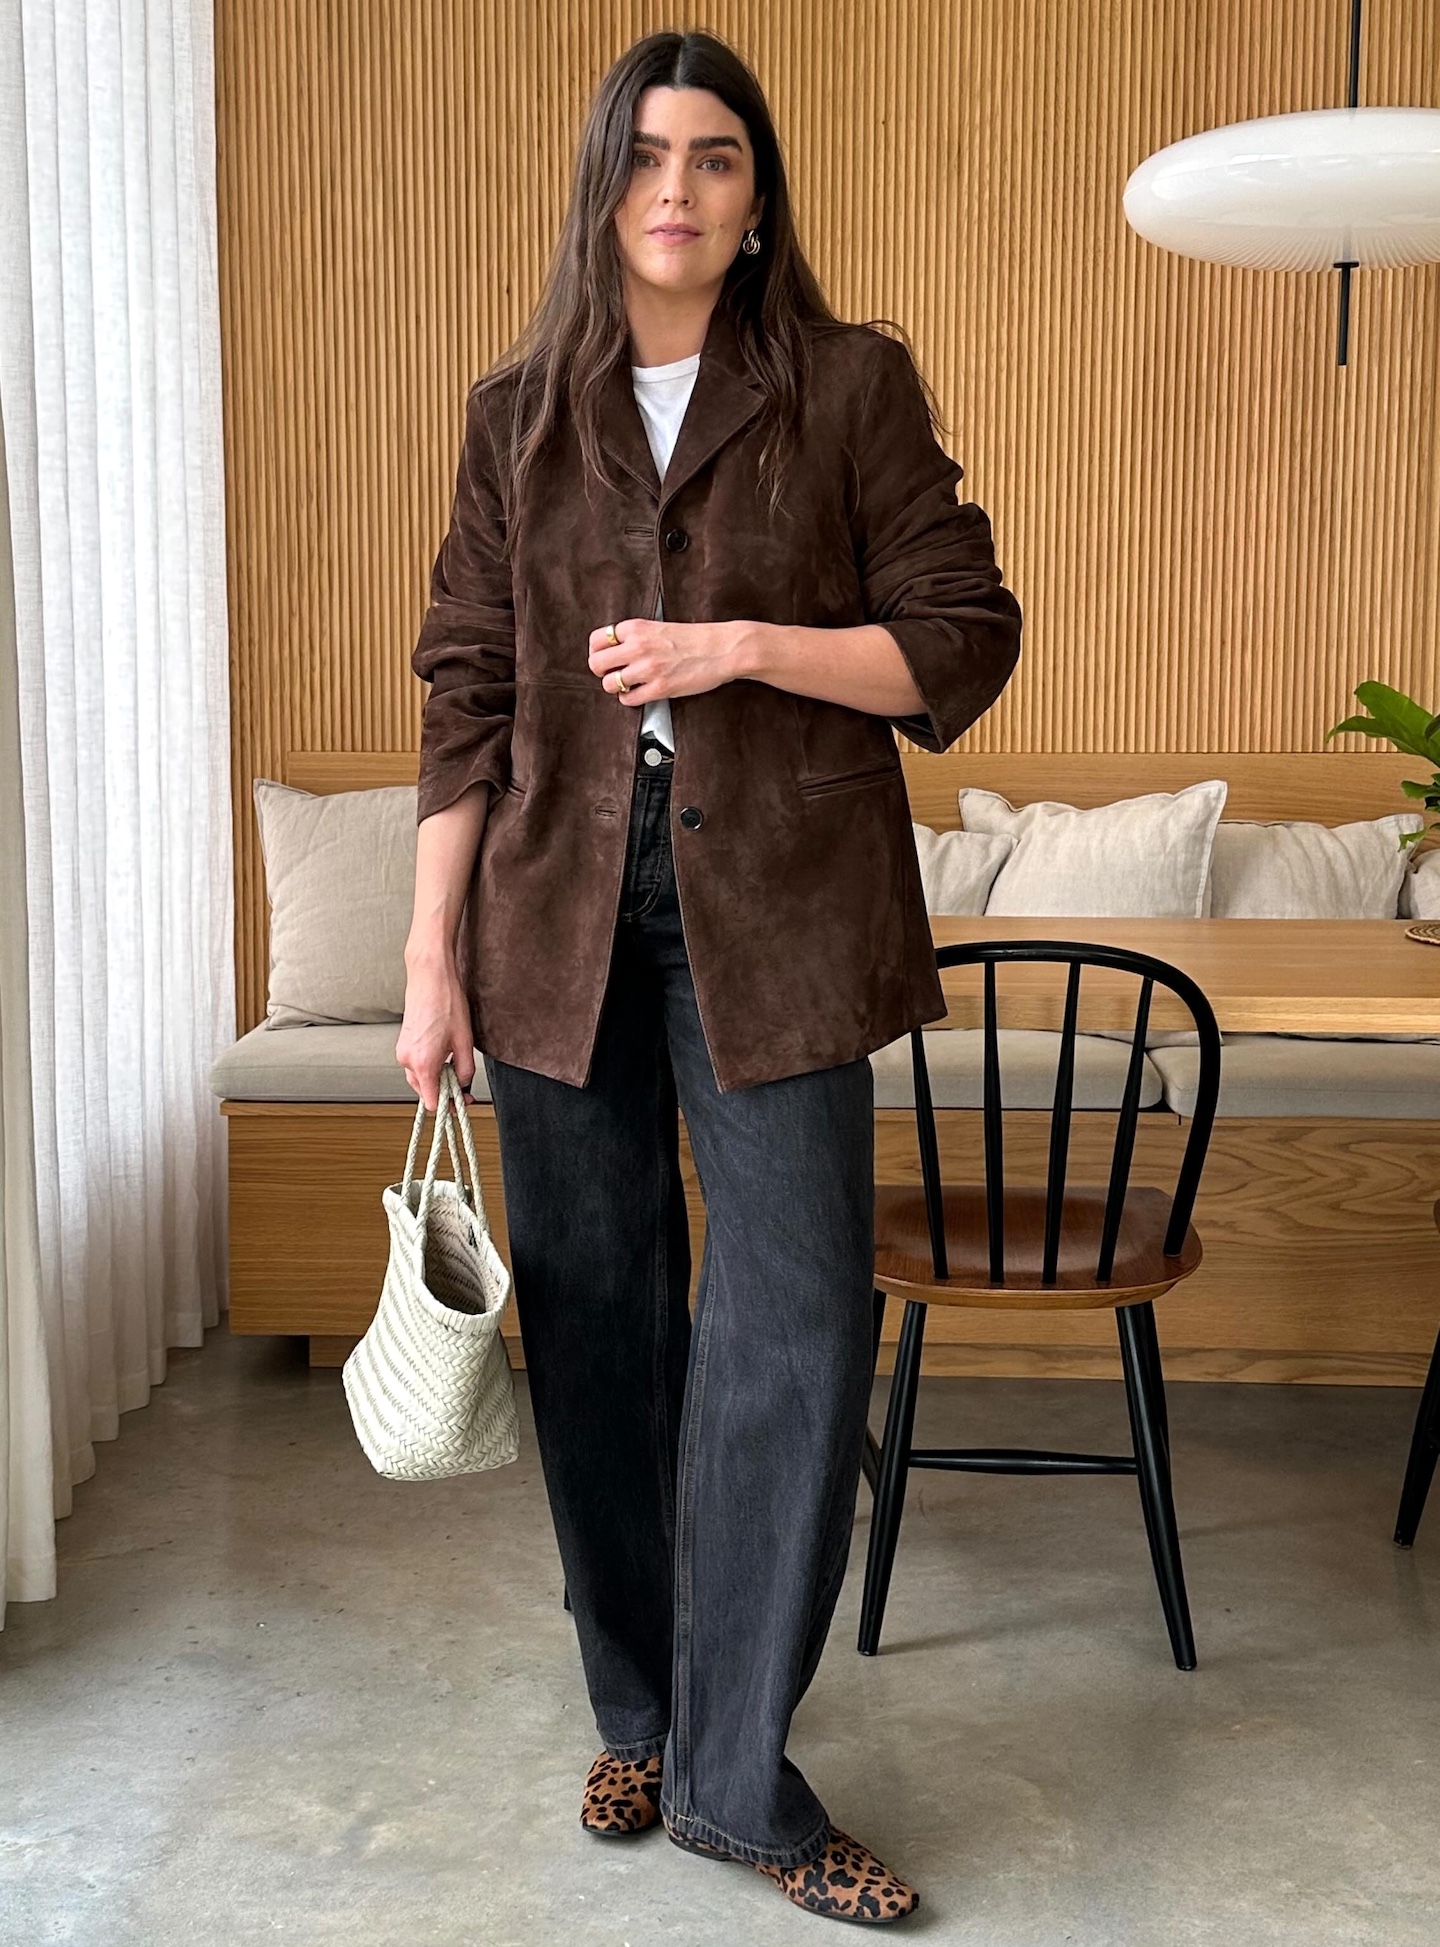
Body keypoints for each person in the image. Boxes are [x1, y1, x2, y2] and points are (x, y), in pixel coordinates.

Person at [396, 28, 1021, 1928]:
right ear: (606, 185)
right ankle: (644, 1713)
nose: (679, 188)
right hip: (551, 933)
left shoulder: (847, 388)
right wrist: (427, 957)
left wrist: (747, 639)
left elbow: (958, 638)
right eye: (649, 155)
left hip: (783, 926)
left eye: (719, 160)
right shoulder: (519, 413)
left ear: (758, 206)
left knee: (799, 1329)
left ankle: (739, 1778)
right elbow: (469, 700)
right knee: (596, 1331)